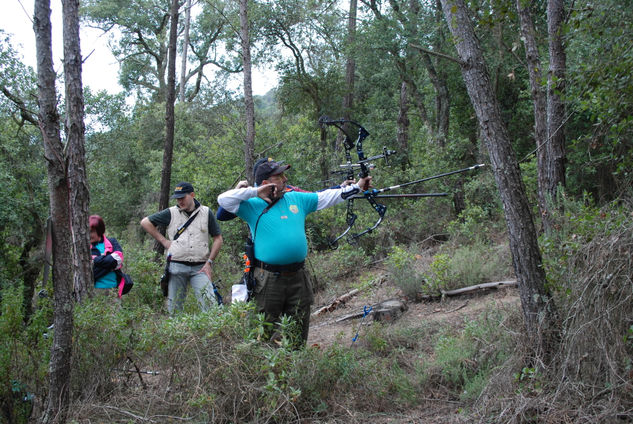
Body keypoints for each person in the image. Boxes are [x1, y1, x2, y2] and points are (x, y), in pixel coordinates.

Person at [217, 158, 371, 346]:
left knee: (297, 329)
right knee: (262, 331)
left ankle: (294, 367)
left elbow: (327, 197)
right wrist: (254, 191)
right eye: (279, 176)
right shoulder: (251, 204)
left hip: (298, 276)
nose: (285, 178)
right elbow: (223, 200)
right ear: (266, 183)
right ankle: (261, 370)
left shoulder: (296, 198)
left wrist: (357, 186)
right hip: (267, 279)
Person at [141, 182, 223, 313]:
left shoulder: (206, 212)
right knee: (174, 309)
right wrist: (164, 241)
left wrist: (209, 262)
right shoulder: (171, 213)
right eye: (177, 198)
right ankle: (177, 333)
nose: (180, 201)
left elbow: (218, 239)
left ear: (192, 195)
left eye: (182, 198)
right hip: (176, 267)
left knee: (210, 307)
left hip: (200, 267)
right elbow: (145, 222)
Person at [90, 214, 125, 297]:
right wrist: (110, 264)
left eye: (92, 231)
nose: (89, 234)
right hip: (95, 291)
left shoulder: (112, 242)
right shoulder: (85, 247)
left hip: (114, 290)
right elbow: (90, 271)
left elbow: (118, 259)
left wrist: (95, 261)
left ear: (99, 230)